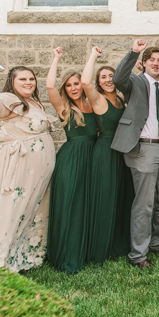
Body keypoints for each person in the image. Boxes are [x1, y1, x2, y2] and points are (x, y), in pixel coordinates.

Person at [0, 56, 57, 273]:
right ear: (12, 82)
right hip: (16, 166)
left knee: (30, 211)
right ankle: (2, 259)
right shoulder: (7, 99)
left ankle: (25, 254)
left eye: (31, 79)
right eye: (22, 79)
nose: (28, 82)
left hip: (37, 172)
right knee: (11, 208)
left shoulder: (34, 103)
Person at [112, 39, 159, 270]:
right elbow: (118, 78)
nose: (156, 63)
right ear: (143, 64)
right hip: (142, 148)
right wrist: (133, 52)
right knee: (144, 203)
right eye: (152, 60)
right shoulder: (135, 82)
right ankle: (138, 255)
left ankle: (157, 243)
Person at [45, 48, 97, 274]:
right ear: (64, 88)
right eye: (69, 85)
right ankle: (66, 252)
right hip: (71, 159)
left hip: (92, 158)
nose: (74, 88)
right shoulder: (63, 107)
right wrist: (56, 59)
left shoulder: (94, 104)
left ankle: (86, 250)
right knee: (71, 204)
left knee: (87, 204)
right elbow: (48, 87)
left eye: (76, 84)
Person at [81, 47, 134, 263]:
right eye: (103, 77)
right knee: (105, 197)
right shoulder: (98, 100)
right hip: (105, 151)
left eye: (111, 75)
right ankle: (100, 247)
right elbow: (85, 83)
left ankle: (118, 244)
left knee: (122, 197)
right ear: (99, 82)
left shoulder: (121, 98)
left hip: (123, 152)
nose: (108, 79)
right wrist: (93, 56)